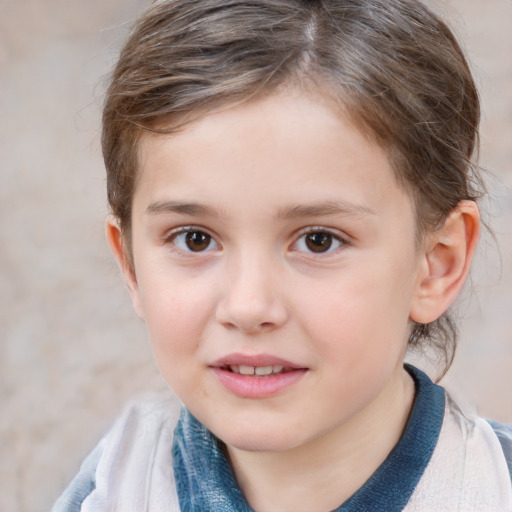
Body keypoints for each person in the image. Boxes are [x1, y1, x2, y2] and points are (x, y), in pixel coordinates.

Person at [53, 0, 512, 510]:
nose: (249, 307)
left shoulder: (493, 486)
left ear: (436, 263)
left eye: (319, 240)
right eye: (195, 239)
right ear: (132, 266)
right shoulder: (113, 492)